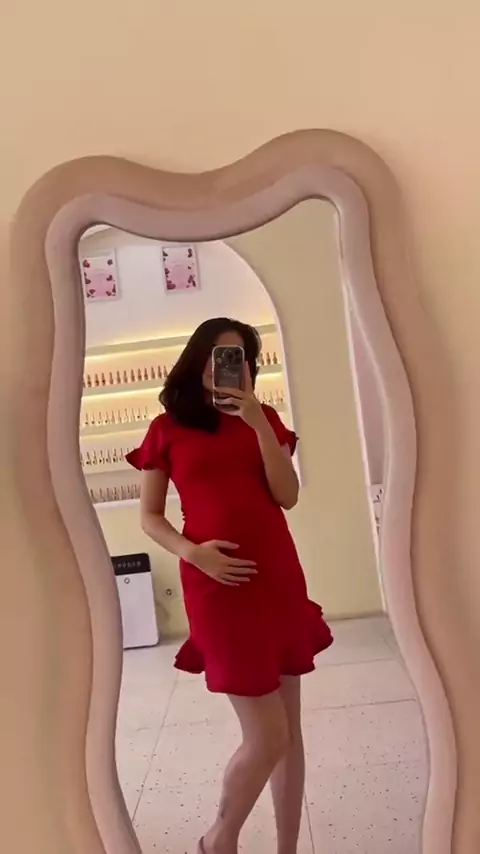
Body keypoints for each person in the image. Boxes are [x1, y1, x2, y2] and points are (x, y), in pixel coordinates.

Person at [126, 317, 333, 854]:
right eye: (220, 354)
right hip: (215, 587)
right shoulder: (167, 428)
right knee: (268, 734)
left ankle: (287, 848)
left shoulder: (264, 419)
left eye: (239, 357)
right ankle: (219, 838)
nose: (228, 366)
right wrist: (193, 553)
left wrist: (260, 424)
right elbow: (150, 517)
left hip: (277, 579)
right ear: (198, 359)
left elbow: (287, 496)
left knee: (290, 732)